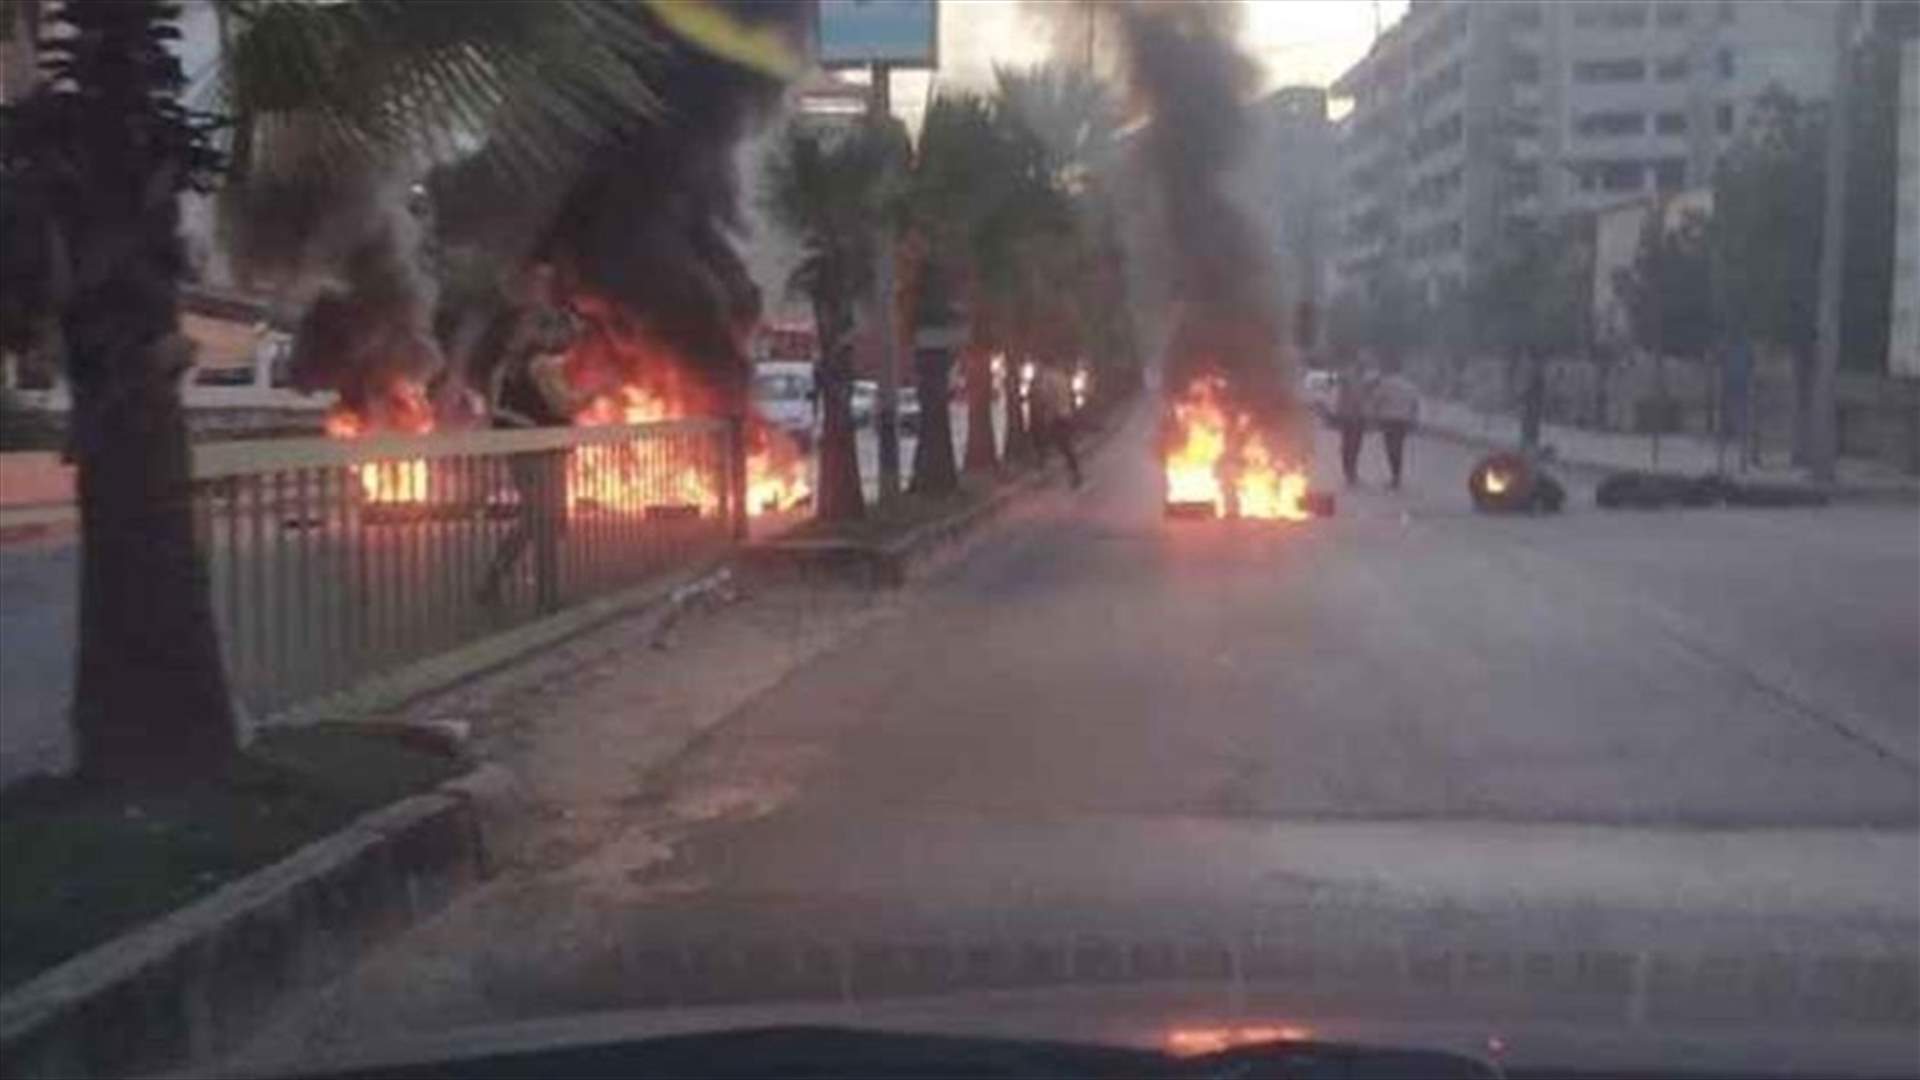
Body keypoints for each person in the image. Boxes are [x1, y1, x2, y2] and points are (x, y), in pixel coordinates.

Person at [477, 293, 583, 613]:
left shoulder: (510, 367)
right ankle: (546, 598)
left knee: (535, 520)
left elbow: (495, 411)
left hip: (530, 446)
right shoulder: (539, 365)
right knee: (543, 519)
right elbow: (564, 405)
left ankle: (495, 582)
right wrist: (593, 395)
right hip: (539, 447)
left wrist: (515, 421)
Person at [1028, 361, 1081, 489]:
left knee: (1045, 443)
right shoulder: (1062, 376)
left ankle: (1041, 474)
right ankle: (1074, 472)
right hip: (1065, 414)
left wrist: (1046, 413)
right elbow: (1069, 394)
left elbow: (1046, 397)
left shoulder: (1047, 378)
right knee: (1064, 445)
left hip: (1054, 416)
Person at [1371, 366, 1421, 489]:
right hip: (1402, 420)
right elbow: (1415, 404)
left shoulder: (1386, 384)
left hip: (1389, 419)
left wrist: (1376, 415)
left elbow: (1377, 400)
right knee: (1398, 447)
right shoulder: (1410, 386)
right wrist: (1412, 419)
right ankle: (1397, 475)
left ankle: (1394, 475)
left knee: (1390, 447)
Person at [1332, 367, 1371, 487]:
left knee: (1353, 446)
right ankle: (1350, 472)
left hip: (1355, 418)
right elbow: (1354, 400)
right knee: (1351, 446)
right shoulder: (1350, 382)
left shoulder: (1361, 382)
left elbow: (1365, 401)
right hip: (1351, 418)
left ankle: (1350, 471)